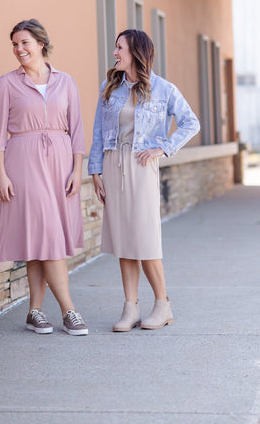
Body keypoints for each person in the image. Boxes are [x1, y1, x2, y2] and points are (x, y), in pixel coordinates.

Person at [89, 29, 200, 332]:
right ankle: (130, 308)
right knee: (124, 241)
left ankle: (162, 305)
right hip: (114, 165)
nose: (115, 53)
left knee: (145, 240)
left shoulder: (163, 89)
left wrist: (163, 147)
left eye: (119, 48)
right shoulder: (110, 87)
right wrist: (95, 173)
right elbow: (99, 132)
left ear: (135, 51)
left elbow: (191, 122)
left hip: (142, 166)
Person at [0, 19, 88, 336]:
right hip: (24, 165)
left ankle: (34, 311)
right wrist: (1, 174)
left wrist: (77, 170)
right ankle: (69, 310)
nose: (19, 49)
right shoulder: (7, 84)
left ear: (41, 44)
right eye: (15, 44)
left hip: (60, 166)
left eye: (25, 43)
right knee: (47, 237)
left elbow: (77, 131)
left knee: (39, 241)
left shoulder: (66, 82)